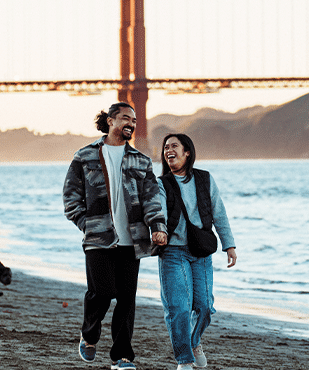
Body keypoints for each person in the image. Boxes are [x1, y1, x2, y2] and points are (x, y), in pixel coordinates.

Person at [63, 102, 169, 370]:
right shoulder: (84, 157)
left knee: (126, 299)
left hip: (131, 241)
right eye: (125, 118)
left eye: (133, 119)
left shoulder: (142, 161)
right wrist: (85, 223)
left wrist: (158, 226)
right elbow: (71, 196)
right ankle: (89, 334)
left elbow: (151, 199)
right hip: (98, 238)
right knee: (102, 292)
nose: (131, 123)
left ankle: (122, 357)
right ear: (110, 121)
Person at [155, 133, 237, 370]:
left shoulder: (205, 179)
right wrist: (157, 230)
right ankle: (185, 360)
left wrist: (229, 244)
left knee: (204, 307)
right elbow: (157, 212)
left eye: (174, 146)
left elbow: (219, 213)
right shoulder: (162, 183)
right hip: (172, 252)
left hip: (201, 252)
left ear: (187, 152)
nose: (168, 150)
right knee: (179, 308)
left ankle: (194, 342)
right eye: (165, 147)